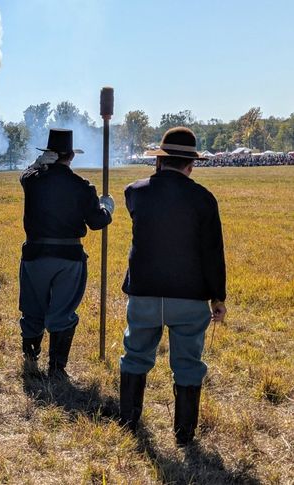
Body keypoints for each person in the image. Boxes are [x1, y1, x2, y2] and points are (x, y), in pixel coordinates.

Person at [119, 127, 227, 446]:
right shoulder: (204, 200)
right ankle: (184, 434)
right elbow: (213, 254)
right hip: (190, 297)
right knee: (188, 364)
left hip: (144, 293)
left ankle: (128, 423)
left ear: (159, 161)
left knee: (135, 356)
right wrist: (218, 297)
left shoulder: (134, 192)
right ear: (191, 164)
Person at [18, 128, 114, 378]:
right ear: (71, 156)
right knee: (62, 313)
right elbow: (96, 223)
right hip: (68, 257)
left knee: (32, 309)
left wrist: (36, 165)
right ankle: (57, 368)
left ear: (49, 154)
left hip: (36, 254)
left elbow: (24, 176)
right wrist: (107, 208)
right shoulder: (82, 187)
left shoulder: (33, 180)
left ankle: (30, 359)